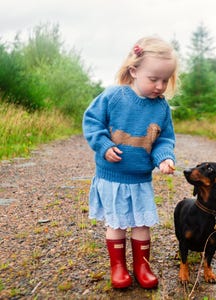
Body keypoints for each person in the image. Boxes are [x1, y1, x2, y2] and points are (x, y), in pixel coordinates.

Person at [82, 36, 179, 289]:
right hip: (112, 177)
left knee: (141, 223)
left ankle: (142, 265)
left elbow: (163, 139)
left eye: (165, 80)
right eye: (153, 79)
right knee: (116, 224)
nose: (159, 86)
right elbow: (92, 121)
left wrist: (164, 158)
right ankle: (118, 267)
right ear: (134, 71)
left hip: (139, 180)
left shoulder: (161, 107)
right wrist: (103, 146)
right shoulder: (115, 96)